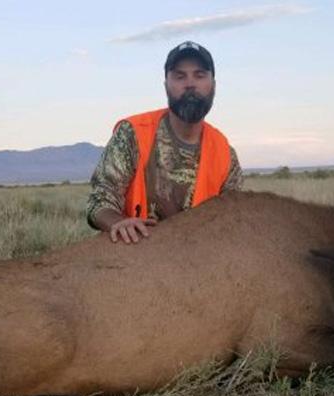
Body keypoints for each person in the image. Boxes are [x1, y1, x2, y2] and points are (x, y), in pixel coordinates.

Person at [86, 41, 243, 244]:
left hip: (199, 257)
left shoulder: (224, 153)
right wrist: (117, 222)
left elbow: (235, 215)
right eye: (179, 76)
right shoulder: (133, 133)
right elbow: (100, 198)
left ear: (213, 85)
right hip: (135, 250)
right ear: (166, 85)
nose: (190, 84)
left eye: (200, 75)